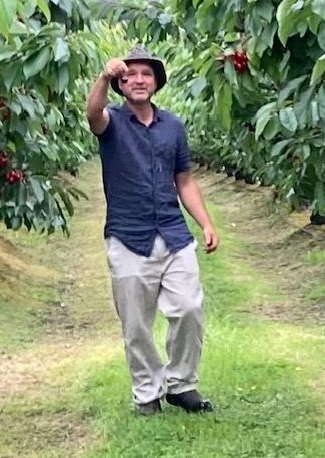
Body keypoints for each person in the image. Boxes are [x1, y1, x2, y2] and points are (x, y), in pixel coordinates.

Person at [86, 46, 218, 416]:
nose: (139, 80)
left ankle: (182, 384)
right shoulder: (111, 122)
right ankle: (147, 393)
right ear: (120, 83)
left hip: (173, 233)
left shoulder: (173, 126)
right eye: (130, 75)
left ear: (156, 82)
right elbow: (92, 114)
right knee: (136, 323)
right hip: (128, 235)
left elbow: (185, 180)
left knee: (189, 307)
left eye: (146, 74)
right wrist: (102, 76)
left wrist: (205, 223)